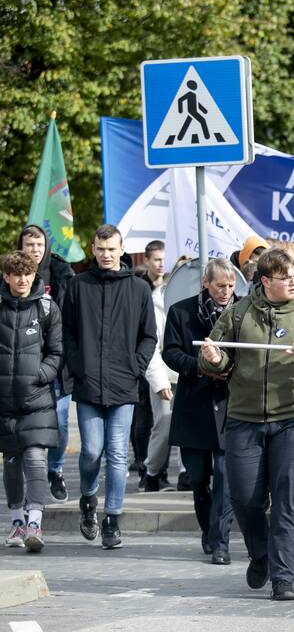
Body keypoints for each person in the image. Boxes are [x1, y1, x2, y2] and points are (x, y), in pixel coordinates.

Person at [199, 249, 294, 602]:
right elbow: (217, 357)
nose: (293, 281)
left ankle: (283, 578)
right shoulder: (239, 312)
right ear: (265, 281)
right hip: (243, 420)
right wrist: (213, 359)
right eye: (285, 277)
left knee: (288, 500)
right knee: (244, 499)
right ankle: (260, 554)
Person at [64, 224, 157, 550]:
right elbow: (68, 334)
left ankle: (112, 519)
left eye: (111, 249)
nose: (106, 254)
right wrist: (79, 367)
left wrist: (136, 367)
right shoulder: (77, 286)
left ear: (121, 250)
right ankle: (88, 498)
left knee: (118, 453)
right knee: (91, 450)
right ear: (93, 249)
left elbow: (148, 336)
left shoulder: (138, 288)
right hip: (88, 384)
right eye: (100, 249)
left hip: (124, 384)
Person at [161, 258, 237, 565]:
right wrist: (201, 368)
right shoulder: (181, 311)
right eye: (220, 286)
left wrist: (227, 368)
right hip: (194, 404)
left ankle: (221, 541)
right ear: (206, 283)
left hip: (229, 404)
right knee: (198, 479)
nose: (226, 292)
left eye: (231, 286)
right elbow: (171, 351)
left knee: (225, 475)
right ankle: (208, 531)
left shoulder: (239, 311)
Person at [1, 251, 63, 553]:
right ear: (7, 277)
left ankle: (35, 523)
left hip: (37, 400)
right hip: (4, 402)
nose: (23, 279)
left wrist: (40, 375)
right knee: (11, 464)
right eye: (17, 274)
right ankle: (16, 521)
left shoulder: (47, 308)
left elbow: (57, 352)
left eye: (28, 273)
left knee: (37, 461)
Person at [17, 224, 73, 502]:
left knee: (61, 423)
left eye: (39, 245)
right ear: (22, 247)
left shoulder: (63, 273)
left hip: (57, 363)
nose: (35, 250)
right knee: (28, 427)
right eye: (29, 245)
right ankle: (33, 481)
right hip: (23, 365)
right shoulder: (13, 277)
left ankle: (55, 469)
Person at [140, 240, 179, 491]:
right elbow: (151, 343)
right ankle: (152, 472)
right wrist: (158, 380)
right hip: (165, 374)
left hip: (192, 374)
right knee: (164, 423)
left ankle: (187, 475)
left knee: (189, 427)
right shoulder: (156, 299)